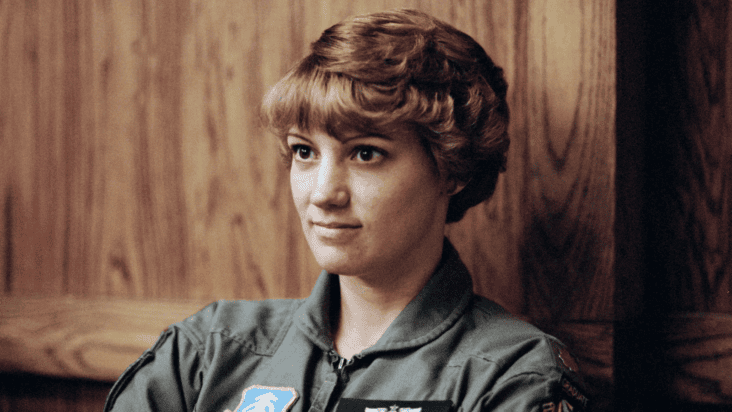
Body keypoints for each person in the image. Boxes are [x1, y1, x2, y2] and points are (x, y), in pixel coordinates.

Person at [104, 9, 588, 412]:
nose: (322, 193)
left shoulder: (511, 378)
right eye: (304, 151)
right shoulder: (206, 352)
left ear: (451, 169)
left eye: (365, 153)